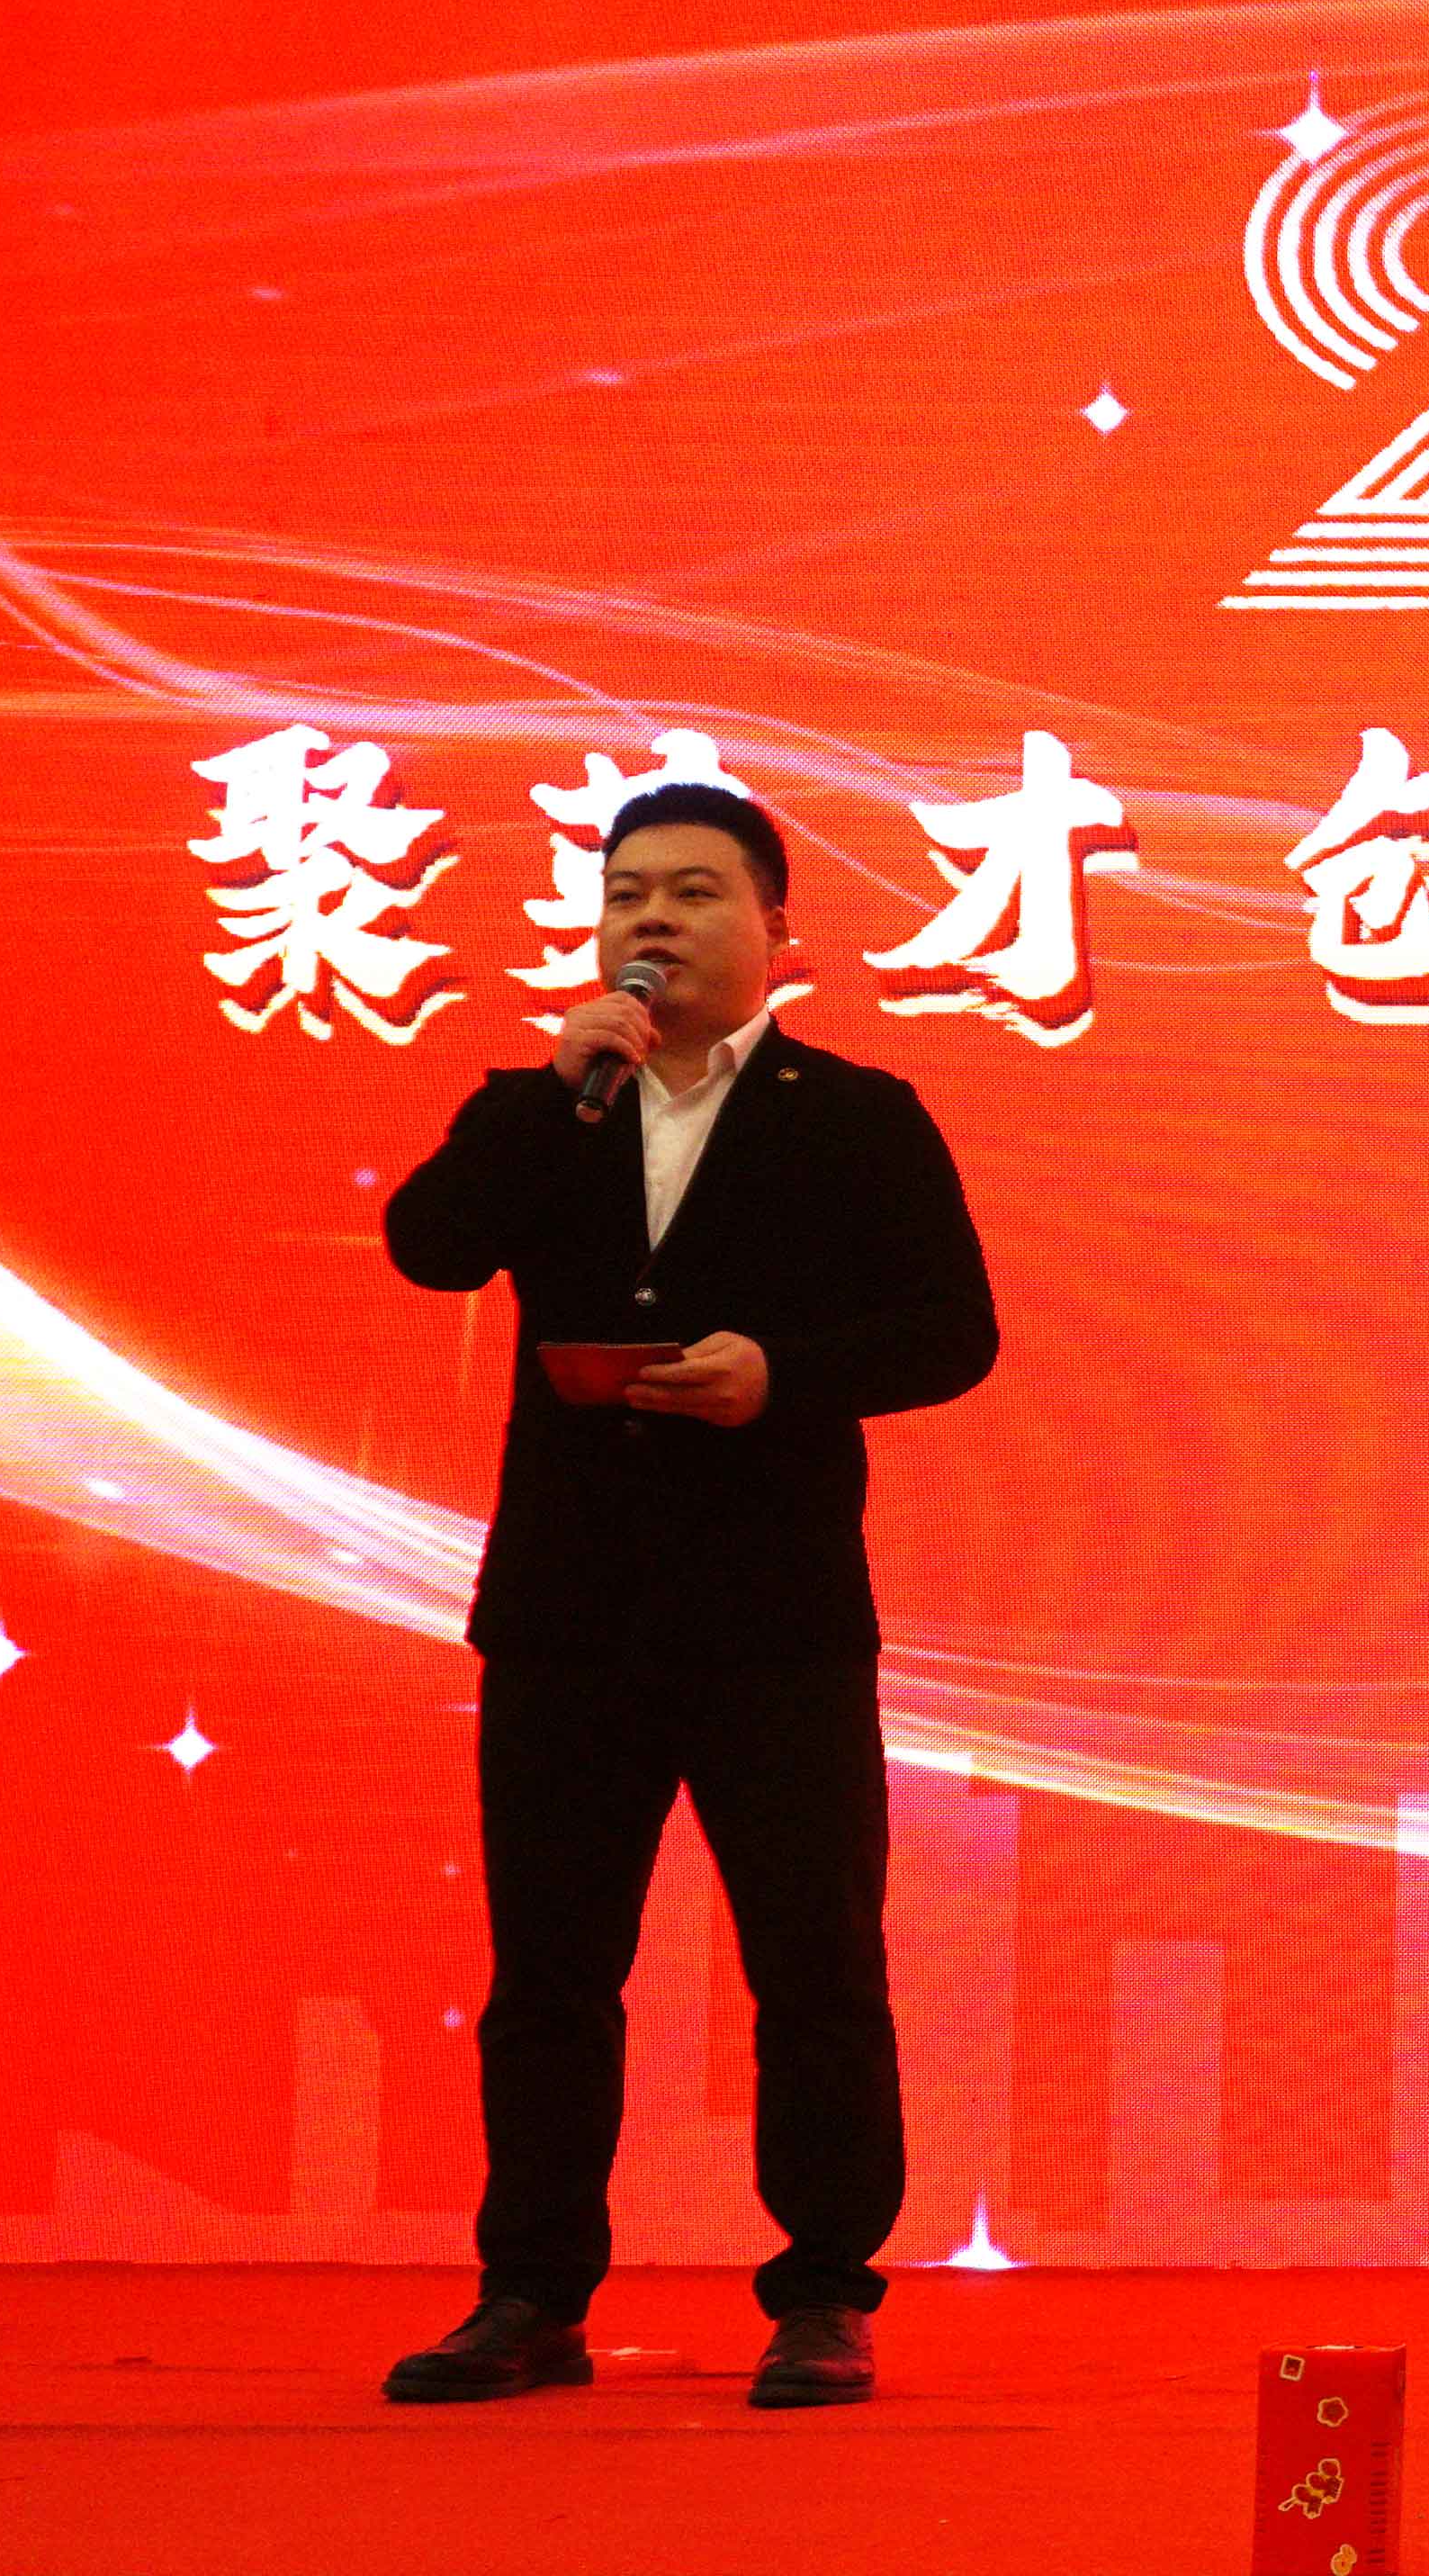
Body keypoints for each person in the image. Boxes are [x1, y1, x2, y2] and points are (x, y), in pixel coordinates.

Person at [371, 782, 1000, 2412]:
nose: (654, 920)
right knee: (552, 1972)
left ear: (777, 928)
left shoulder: (855, 1115)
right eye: (628, 894)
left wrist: (780, 1373)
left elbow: (953, 1332)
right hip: (567, 1614)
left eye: (696, 893)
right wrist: (553, 1089)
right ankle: (529, 2297)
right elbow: (429, 1247)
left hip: (775, 1616)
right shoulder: (543, 1104)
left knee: (813, 1964)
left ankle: (825, 2293)